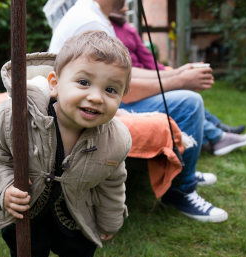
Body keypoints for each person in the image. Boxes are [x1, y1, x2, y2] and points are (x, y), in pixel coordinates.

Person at [48, 0, 228, 223]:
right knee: (189, 103)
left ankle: (184, 169)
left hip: (97, 94)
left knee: (186, 98)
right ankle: (180, 190)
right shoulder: (90, 21)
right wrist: (180, 81)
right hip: (86, 102)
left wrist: (177, 74)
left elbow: (124, 76)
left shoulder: (94, 15)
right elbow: (121, 91)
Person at [0, 31, 133, 257]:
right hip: (26, 209)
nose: (95, 96)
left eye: (111, 89)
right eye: (83, 82)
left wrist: (110, 220)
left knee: (79, 246)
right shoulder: (16, 115)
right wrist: (3, 188)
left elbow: (112, 183)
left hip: (75, 209)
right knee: (23, 243)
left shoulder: (116, 140)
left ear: (122, 97)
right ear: (54, 84)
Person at [109, 6, 246, 157]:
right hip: (132, 87)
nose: (126, 6)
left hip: (144, 76)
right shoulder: (104, 26)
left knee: (180, 92)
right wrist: (177, 79)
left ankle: (220, 131)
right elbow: (124, 77)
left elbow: (148, 58)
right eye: (123, 5)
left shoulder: (128, 28)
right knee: (184, 99)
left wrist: (169, 72)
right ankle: (217, 136)